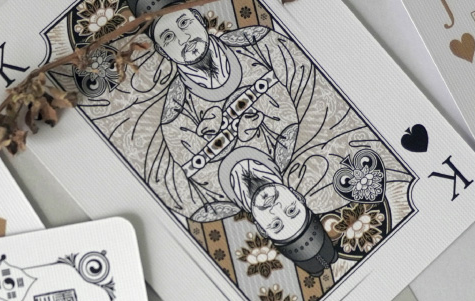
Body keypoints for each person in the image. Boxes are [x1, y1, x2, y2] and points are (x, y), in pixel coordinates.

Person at [90, 2, 410, 275]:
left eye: (276, 224)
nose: (275, 207)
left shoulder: (196, 196)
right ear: (298, 197)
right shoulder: (260, 46)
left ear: (261, 230)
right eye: (291, 211)